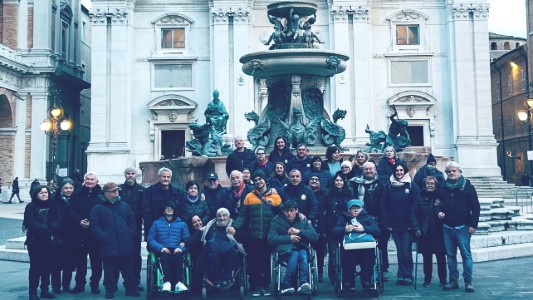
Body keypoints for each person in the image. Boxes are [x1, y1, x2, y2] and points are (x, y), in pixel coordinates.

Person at [231, 170, 282, 297]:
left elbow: (282, 213)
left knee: (266, 261)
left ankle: (265, 285)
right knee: (253, 261)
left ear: (265, 180)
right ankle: (255, 285)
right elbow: (243, 215)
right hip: (253, 234)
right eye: (256, 179)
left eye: (261, 179)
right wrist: (234, 227)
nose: (259, 181)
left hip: (269, 234)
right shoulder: (249, 196)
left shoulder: (275, 195)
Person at [90, 182, 139, 299]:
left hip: (125, 242)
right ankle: (110, 290)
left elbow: (132, 221)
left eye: (117, 190)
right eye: (113, 191)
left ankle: (130, 289)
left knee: (128, 269)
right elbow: (94, 225)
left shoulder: (124, 206)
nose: (116, 192)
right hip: (108, 243)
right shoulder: (98, 208)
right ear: (106, 193)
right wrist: (103, 237)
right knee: (109, 270)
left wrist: (130, 233)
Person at [437, 161, 480, 293]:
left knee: (466, 255)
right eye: (449, 171)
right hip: (447, 227)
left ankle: (468, 282)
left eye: (453, 171)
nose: (451, 173)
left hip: (463, 227)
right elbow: (438, 203)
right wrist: (438, 211)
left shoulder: (468, 187)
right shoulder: (443, 187)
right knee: (450, 255)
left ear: (460, 172)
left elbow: (476, 207)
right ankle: (453, 280)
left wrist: (473, 225)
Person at [268, 200, 318, 295]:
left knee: (303, 254)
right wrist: (289, 238)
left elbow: (314, 236)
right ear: (283, 211)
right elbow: (271, 239)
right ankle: (287, 282)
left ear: (296, 210)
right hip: (284, 250)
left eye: (292, 211)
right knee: (296, 253)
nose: (289, 214)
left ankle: (302, 282)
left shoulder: (302, 220)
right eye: (287, 211)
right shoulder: (276, 221)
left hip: (301, 247)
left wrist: (300, 231)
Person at [350, 161, 390, 281]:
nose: (368, 171)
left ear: (375, 170)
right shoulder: (356, 183)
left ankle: (384, 269)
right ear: (363, 171)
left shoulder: (383, 182)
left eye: (370, 169)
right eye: (366, 169)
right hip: (364, 219)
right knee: (365, 246)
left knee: (382, 245)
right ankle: (367, 270)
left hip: (381, 218)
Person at [381, 162, 419, 286]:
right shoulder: (388, 186)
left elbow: (415, 204)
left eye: (401, 170)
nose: (399, 173)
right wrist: (387, 222)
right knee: (400, 250)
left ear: (405, 171)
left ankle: (408, 274)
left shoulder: (412, 186)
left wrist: (413, 223)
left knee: (406, 250)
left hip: (408, 224)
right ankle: (401, 274)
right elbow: (384, 204)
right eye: (397, 171)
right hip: (394, 224)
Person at [331, 199, 381, 293]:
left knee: (368, 256)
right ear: (349, 210)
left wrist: (364, 228)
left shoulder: (368, 218)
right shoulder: (343, 218)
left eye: (358, 208)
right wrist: (344, 229)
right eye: (353, 208)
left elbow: (377, 231)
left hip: (365, 248)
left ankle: (366, 281)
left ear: (361, 208)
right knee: (347, 257)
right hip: (349, 249)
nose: (356, 210)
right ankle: (349, 282)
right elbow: (334, 232)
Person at [24, 185, 62, 300]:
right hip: (35, 242)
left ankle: (44, 290)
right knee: (35, 268)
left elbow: (59, 218)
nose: (44, 194)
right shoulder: (30, 207)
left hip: (49, 242)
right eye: (41, 193)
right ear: (36, 194)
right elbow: (30, 222)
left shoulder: (53, 205)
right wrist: (45, 229)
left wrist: (53, 226)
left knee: (47, 267)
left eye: (46, 192)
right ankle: (33, 292)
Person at [68, 171, 103, 294]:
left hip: (95, 233)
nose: (89, 181)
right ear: (84, 180)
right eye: (87, 179)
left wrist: (91, 223)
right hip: (80, 232)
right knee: (80, 262)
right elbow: (71, 209)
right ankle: (79, 285)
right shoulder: (77, 193)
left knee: (97, 262)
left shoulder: (102, 194)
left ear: (97, 181)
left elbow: (103, 213)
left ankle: (95, 284)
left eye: (92, 179)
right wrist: (79, 221)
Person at [411, 176, 447, 288]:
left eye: (432, 183)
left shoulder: (440, 197)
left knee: (441, 256)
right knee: (427, 257)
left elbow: (445, 209)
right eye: (428, 183)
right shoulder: (419, 197)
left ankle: (443, 279)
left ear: (435, 185)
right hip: (425, 231)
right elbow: (413, 214)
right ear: (425, 185)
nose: (430, 185)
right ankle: (427, 279)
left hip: (438, 231)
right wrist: (416, 228)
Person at [147, 201, 190, 292]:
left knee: (179, 256)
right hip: (162, 249)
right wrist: (160, 248)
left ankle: (179, 282)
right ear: (164, 211)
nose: (169, 209)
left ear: (174, 210)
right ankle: (167, 282)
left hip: (177, 249)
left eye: (171, 207)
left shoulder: (182, 224)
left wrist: (181, 248)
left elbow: (187, 241)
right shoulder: (156, 223)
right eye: (167, 207)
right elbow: (150, 239)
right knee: (164, 255)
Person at [202, 208, 245, 289]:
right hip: (215, 252)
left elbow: (241, 239)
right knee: (211, 256)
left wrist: (235, 233)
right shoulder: (210, 225)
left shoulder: (234, 225)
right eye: (219, 216)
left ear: (228, 216)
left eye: (224, 215)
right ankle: (217, 279)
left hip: (229, 252)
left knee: (233, 253)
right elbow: (206, 240)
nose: (222, 218)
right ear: (216, 217)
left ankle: (227, 277)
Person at [119, 167, 145, 292]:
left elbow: (144, 208)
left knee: (136, 255)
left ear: (136, 175)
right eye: (128, 174)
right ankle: (125, 281)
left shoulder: (141, 190)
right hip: (120, 227)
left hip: (136, 227)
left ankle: (136, 280)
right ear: (125, 175)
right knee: (121, 255)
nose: (130, 176)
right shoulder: (119, 189)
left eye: (132, 174)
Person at [323, 173, 354, 284]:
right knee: (333, 252)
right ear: (333, 182)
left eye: (341, 180)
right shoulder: (328, 194)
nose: (339, 182)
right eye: (337, 180)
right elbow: (324, 211)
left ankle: (346, 274)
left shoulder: (349, 194)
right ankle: (333, 274)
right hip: (331, 226)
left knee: (345, 251)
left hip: (346, 226)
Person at [142, 167, 185, 240]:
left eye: (168, 177)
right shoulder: (149, 192)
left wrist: (178, 225)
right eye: (164, 176)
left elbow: (183, 210)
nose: (166, 179)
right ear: (159, 177)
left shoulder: (179, 193)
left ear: (171, 178)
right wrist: (153, 225)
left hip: (174, 230)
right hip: (154, 229)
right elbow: (145, 210)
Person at [51, 179, 76, 294]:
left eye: (71, 188)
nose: (69, 190)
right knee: (56, 263)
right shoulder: (54, 200)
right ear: (61, 189)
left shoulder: (76, 199)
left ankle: (66, 285)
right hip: (58, 235)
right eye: (66, 188)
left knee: (69, 263)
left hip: (71, 235)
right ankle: (56, 286)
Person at [308, 175, 328, 282]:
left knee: (319, 250)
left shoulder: (325, 193)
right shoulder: (305, 191)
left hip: (321, 224)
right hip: (307, 222)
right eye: (312, 179)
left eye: (316, 179)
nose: (314, 181)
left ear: (320, 182)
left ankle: (319, 271)